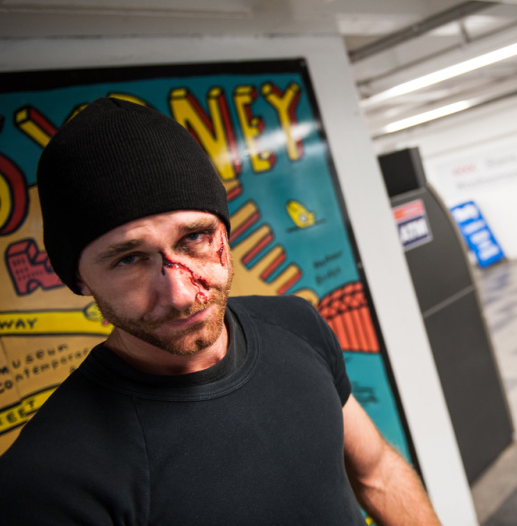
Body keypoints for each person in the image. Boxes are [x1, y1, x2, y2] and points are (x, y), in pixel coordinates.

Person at [0, 97, 442, 526]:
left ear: (225, 235)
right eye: (128, 259)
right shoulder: (46, 480)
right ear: (79, 279)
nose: (179, 293)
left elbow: (377, 474)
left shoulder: (296, 323)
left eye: (193, 237)